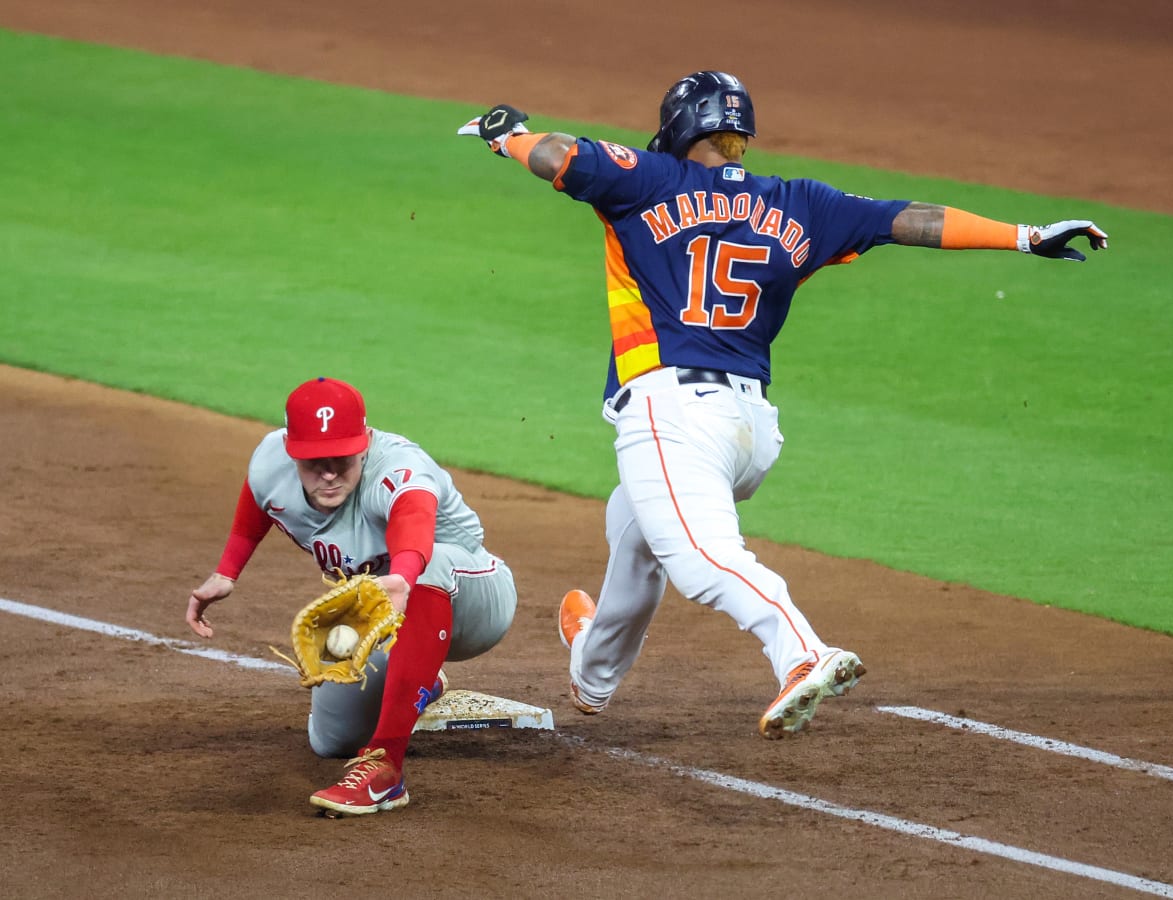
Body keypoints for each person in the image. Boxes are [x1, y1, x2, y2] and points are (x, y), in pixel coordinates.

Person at [459, 71, 1107, 739]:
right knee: (635, 532)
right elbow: (911, 220)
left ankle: (801, 653)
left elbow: (558, 154)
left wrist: (505, 135)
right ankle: (592, 672)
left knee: (701, 557)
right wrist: (1027, 235)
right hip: (749, 434)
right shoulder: (802, 202)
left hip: (672, 416)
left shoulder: (649, 178)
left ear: (680, 128)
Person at [186, 376, 518, 815]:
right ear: (291, 451)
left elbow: (414, 513)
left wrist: (401, 576)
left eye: (342, 459)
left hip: (473, 599)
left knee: (427, 564)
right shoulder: (271, 460)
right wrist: (227, 571)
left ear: (364, 444)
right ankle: (420, 682)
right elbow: (260, 492)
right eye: (312, 461)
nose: (328, 473)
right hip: (383, 614)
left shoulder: (398, 468)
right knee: (331, 741)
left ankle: (386, 773)